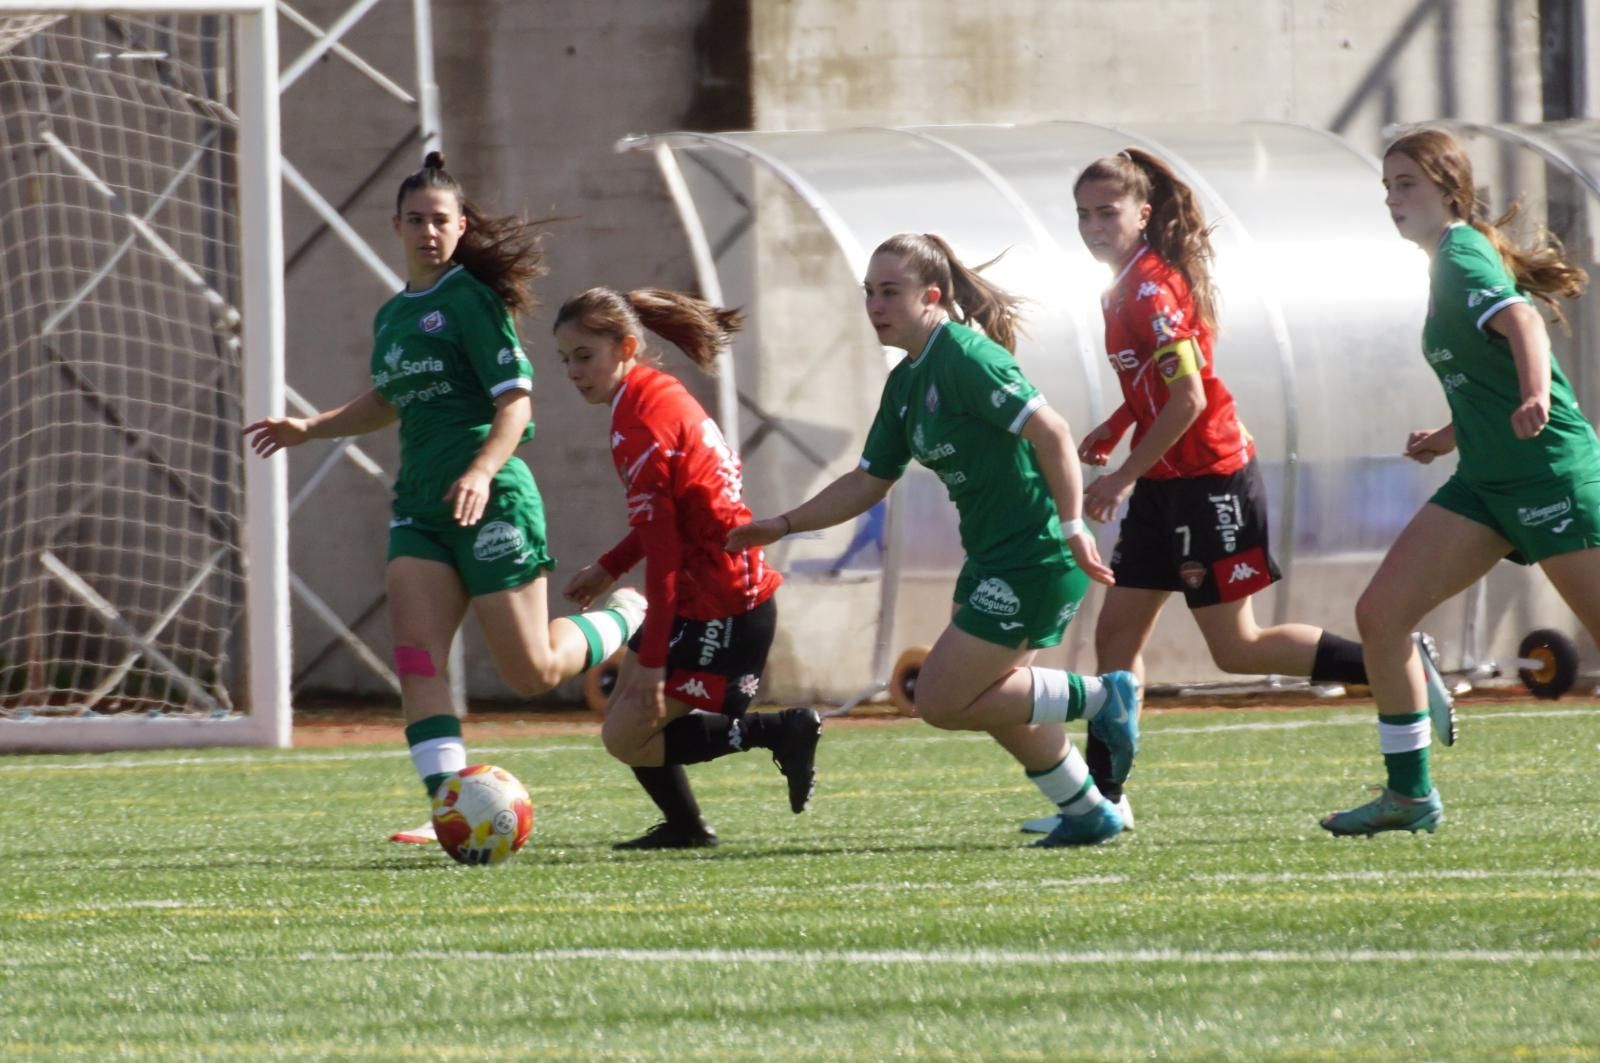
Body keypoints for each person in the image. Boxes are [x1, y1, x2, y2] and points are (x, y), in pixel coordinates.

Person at [243, 153, 646, 847]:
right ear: (396, 226)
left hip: (491, 501)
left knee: (531, 673)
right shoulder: (393, 315)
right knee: (416, 657)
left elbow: (516, 403)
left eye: (440, 220)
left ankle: (626, 615)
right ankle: (449, 808)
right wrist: (310, 427)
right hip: (422, 509)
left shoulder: (472, 301)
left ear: (461, 227)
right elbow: (388, 398)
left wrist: (483, 472)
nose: (428, 231)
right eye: (416, 220)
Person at [1054, 148, 1454, 835]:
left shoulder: (1150, 289)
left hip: (1209, 481)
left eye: (1106, 212)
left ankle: (1393, 662)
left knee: (1237, 647)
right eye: (1083, 214)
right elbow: (1166, 383)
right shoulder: (1120, 287)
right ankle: (1104, 802)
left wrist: (1121, 474)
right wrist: (1119, 423)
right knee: (1115, 636)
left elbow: (1188, 400)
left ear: (1142, 214)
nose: (1093, 226)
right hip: (1165, 482)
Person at [727, 232, 1141, 848]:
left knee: (944, 700)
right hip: (992, 557)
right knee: (995, 697)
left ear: (932, 296)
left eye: (890, 292)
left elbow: (1053, 432)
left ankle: (1107, 698)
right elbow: (868, 481)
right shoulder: (905, 384)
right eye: (870, 292)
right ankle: (1087, 810)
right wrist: (783, 524)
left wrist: (1073, 526)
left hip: (1036, 555)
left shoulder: (965, 358)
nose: (876, 305)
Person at [1322, 127, 1600, 835]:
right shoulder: (1446, 262)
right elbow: (1483, 369)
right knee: (1382, 615)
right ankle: (1409, 794)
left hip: (1548, 474)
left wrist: (1535, 397)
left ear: (1449, 190)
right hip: (1485, 482)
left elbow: (1524, 324)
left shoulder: (1460, 254)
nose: (1392, 199)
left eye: (1406, 184)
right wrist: (1449, 435)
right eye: (1387, 187)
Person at [555, 287, 822, 849]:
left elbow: (667, 555)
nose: (573, 372)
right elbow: (673, 522)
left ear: (626, 347)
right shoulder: (655, 392)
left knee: (626, 735)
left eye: (584, 356)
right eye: (565, 359)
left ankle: (779, 730)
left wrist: (654, 664)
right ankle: (686, 826)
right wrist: (610, 567)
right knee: (627, 715)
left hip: (727, 605)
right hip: (708, 593)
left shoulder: (639, 424)